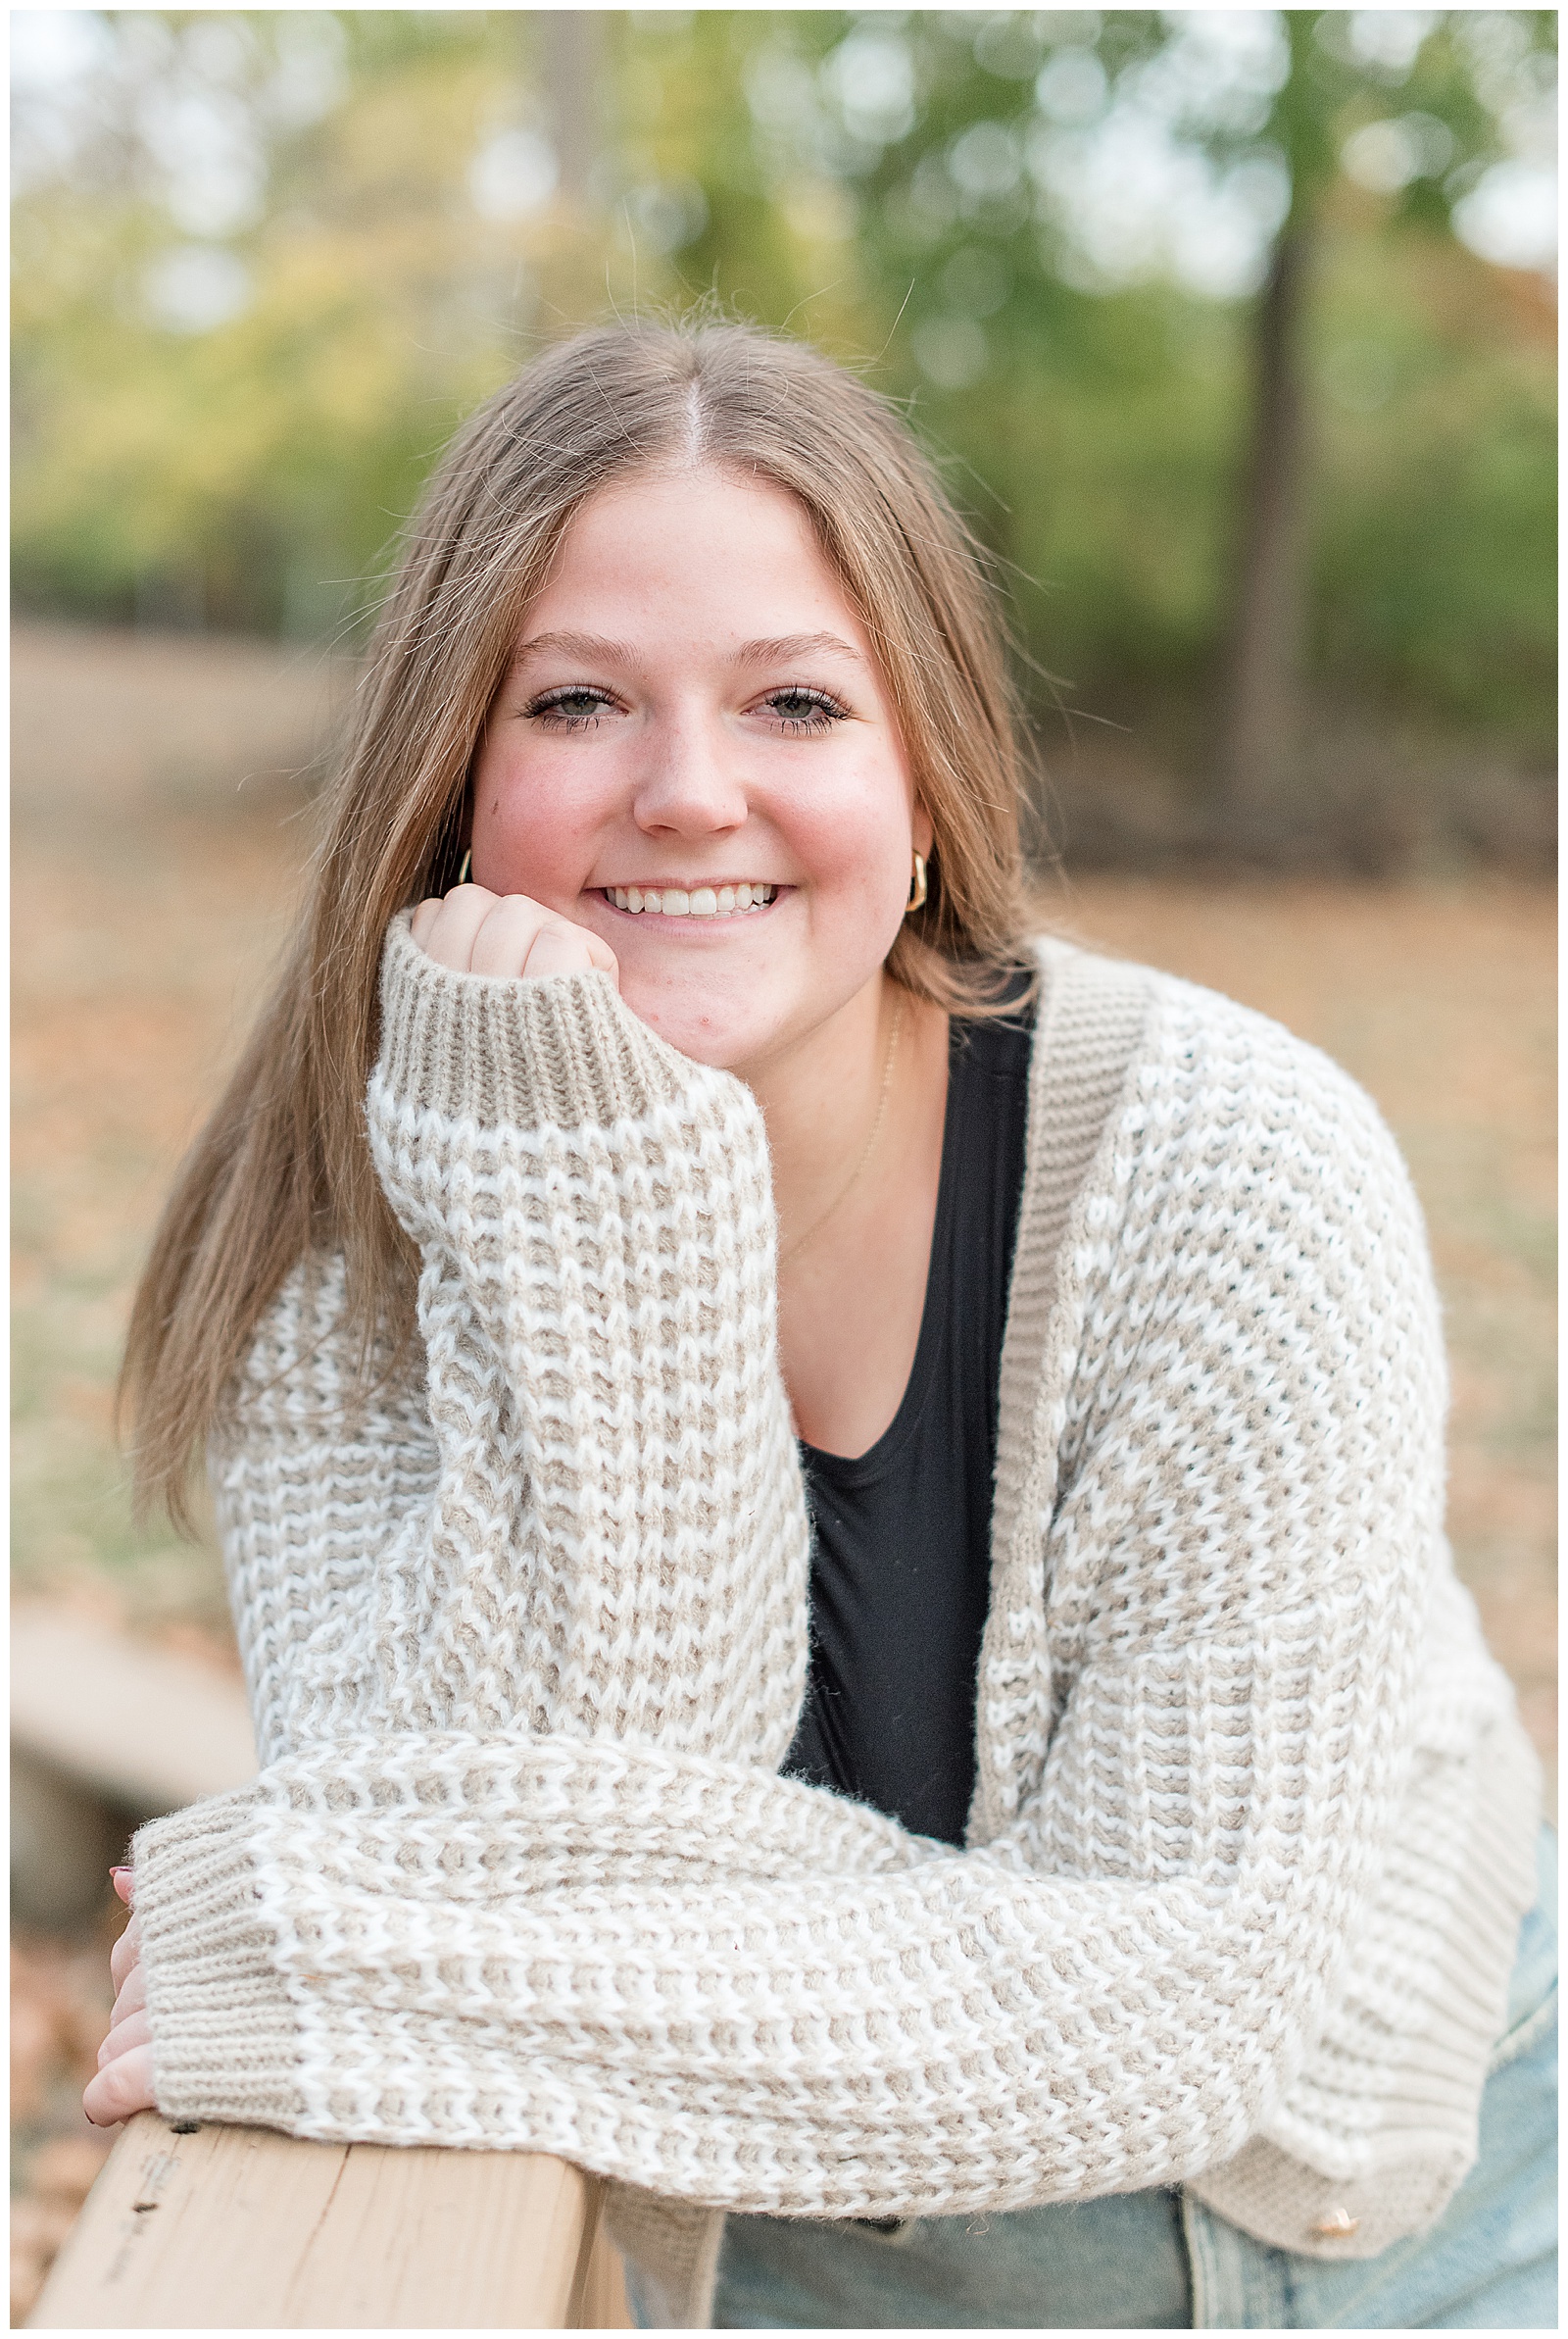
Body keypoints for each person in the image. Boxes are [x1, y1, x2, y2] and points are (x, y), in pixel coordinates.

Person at [88, 320, 1553, 2330]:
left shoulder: (1229, 1172)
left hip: (1352, 2223)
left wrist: (337, 1948)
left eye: (792, 699)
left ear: (928, 783)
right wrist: (599, 1204)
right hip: (773, 2224)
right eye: (577, 700)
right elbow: (490, 1816)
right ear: (444, 783)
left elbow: (1179, 2003)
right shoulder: (338, 1273)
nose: (689, 794)